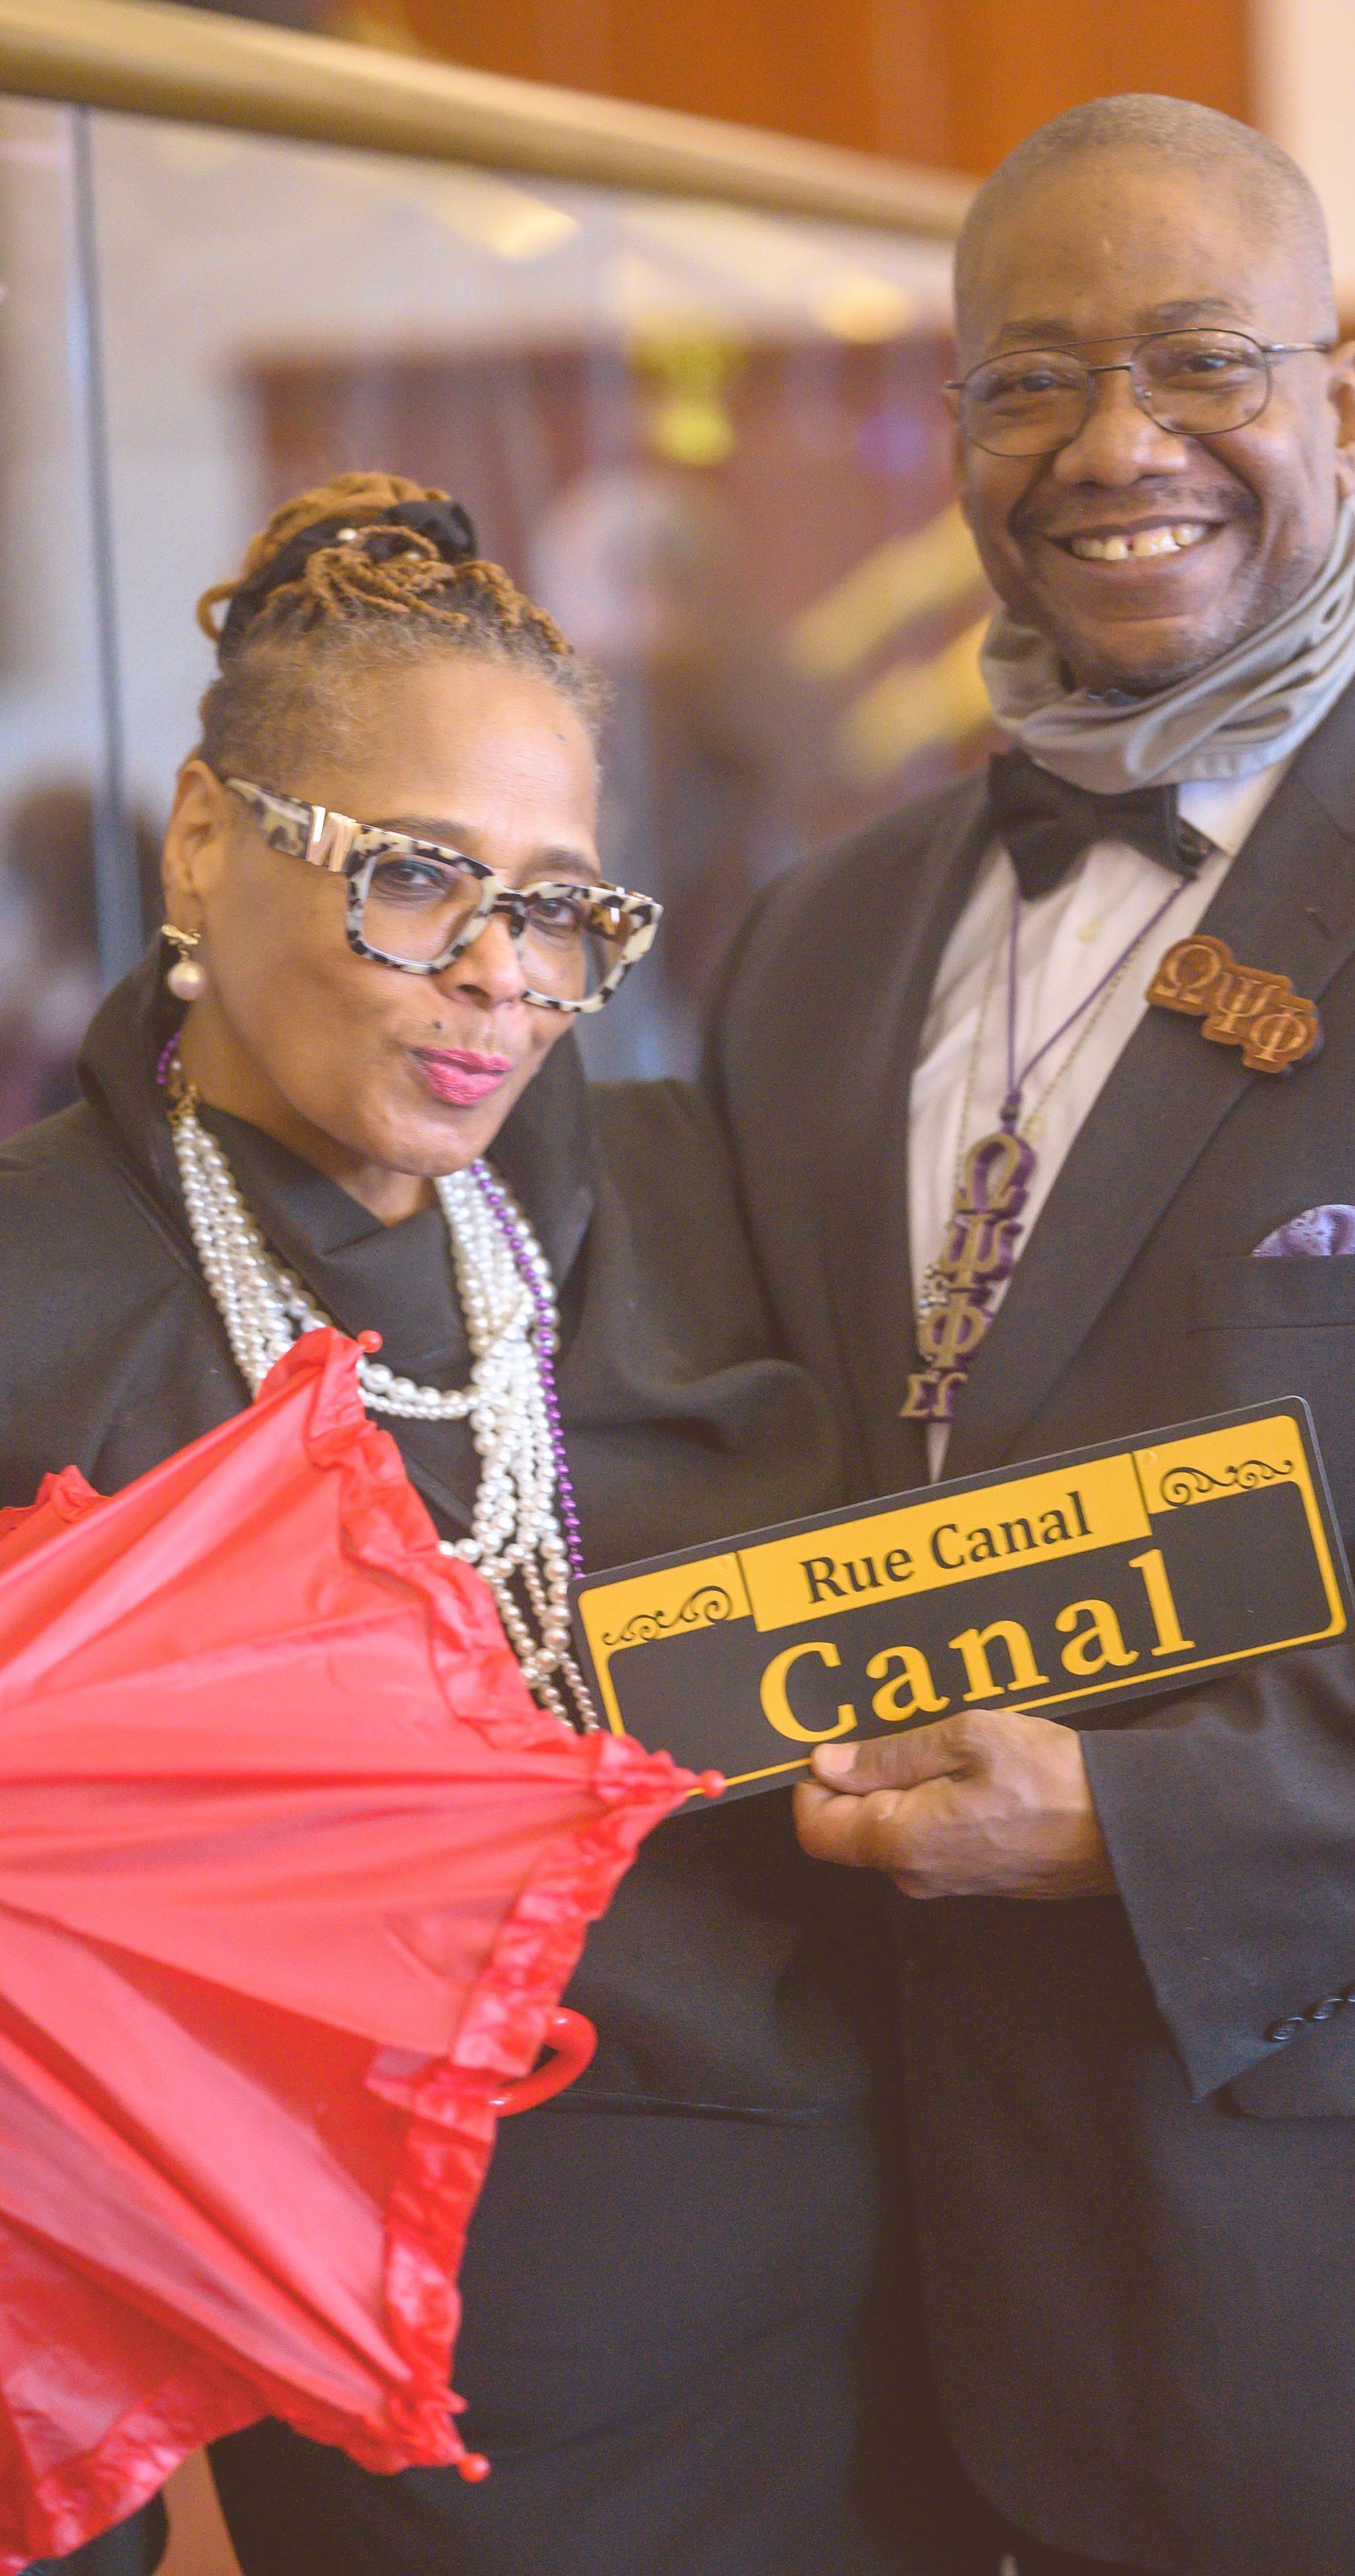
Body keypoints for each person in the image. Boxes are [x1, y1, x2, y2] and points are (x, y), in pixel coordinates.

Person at [9, 473, 993, 2576]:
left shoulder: (677, 1205)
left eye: (557, 906)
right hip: (430, 2458)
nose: (491, 978)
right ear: (204, 837)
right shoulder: (37, 1311)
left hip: (866, 2382)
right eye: (414, 877)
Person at [710, 94, 1355, 2576]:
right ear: (955, 439)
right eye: (1031, 378)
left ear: (1345, 408)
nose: (1114, 444)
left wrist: (1133, 1815)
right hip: (863, 2281)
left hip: (1354, 2273)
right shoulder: (816, 939)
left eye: (1197, 359)